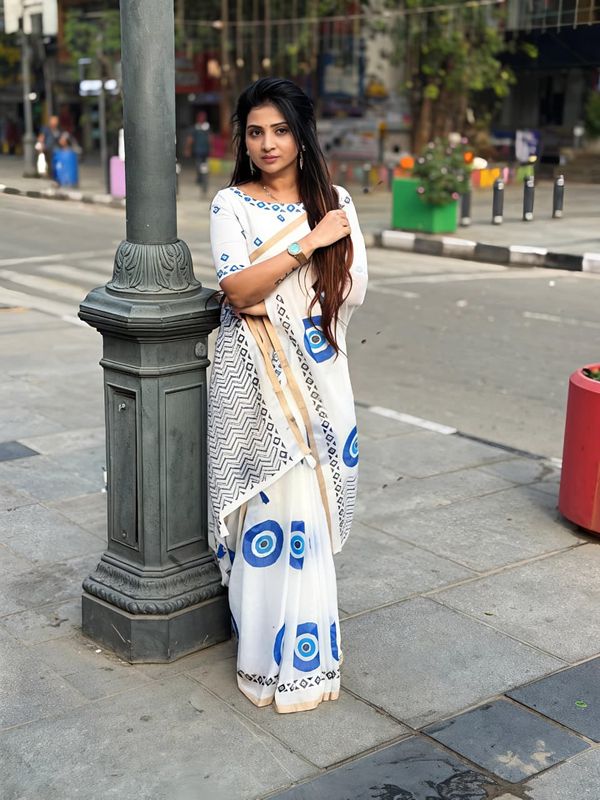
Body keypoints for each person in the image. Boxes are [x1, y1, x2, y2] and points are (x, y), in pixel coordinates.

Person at [208, 78, 368, 714]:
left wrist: (290, 267)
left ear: (301, 136)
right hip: (257, 388)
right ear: (242, 139)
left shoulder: (337, 203)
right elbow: (239, 292)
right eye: (255, 131)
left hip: (322, 380)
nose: (268, 143)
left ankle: (309, 662)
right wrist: (307, 243)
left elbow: (348, 292)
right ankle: (262, 664)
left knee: (310, 519)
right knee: (271, 517)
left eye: (280, 130)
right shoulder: (231, 204)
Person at [185, 110, 211, 197]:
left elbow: (210, 138)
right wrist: (188, 149)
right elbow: (190, 139)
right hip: (198, 150)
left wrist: (212, 148)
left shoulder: (207, 127)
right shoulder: (195, 128)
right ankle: (200, 178)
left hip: (206, 151)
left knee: (205, 166)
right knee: (198, 165)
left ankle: (204, 180)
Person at [37, 115, 64, 180]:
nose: (54, 123)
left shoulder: (59, 129)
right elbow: (41, 138)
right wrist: (41, 145)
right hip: (48, 148)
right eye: (53, 121)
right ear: (50, 122)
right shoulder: (46, 129)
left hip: (57, 149)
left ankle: (57, 173)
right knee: (49, 157)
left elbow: (61, 140)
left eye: (56, 122)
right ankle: (51, 174)